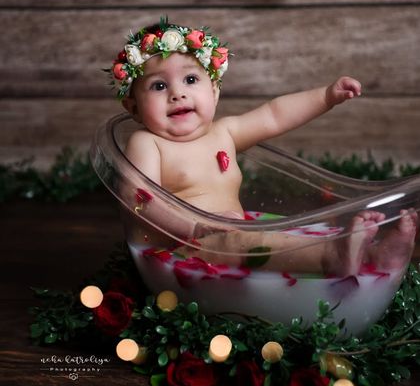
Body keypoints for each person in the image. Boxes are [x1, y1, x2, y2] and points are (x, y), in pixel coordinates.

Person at [107, 18, 417, 276]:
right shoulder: (147, 143)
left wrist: (326, 96)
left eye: (190, 79)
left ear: (214, 91)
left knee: (273, 239)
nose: (178, 94)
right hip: (183, 248)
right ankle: (331, 257)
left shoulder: (224, 132)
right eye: (159, 86)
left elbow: (274, 115)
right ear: (133, 107)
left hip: (233, 234)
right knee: (236, 243)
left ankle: (376, 255)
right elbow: (140, 199)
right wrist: (196, 227)